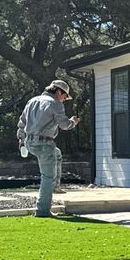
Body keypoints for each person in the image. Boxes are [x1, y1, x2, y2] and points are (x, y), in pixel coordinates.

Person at [17, 79, 80, 217]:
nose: (64, 100)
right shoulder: (56, 104)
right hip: (44, 144)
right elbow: (64, 125)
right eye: (64, 97)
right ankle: (43, 210)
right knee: (47, 177)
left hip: (29, 142)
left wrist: (21, 140)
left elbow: (22, 122)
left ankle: (56, 186)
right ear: (58, 92)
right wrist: (73, 122)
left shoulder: (32, 101)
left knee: (56, 153)